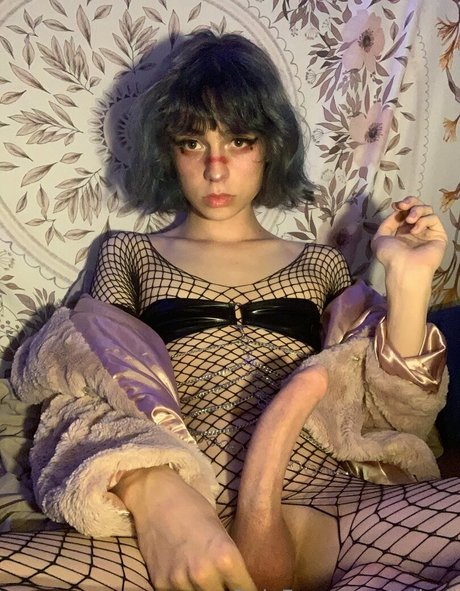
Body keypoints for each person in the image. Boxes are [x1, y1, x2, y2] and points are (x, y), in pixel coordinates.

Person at [9, 30, 460, 591]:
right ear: (168, 151)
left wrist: (410, 283)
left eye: (240, 140)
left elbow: (398, 416)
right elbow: (84, 384)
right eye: (192, 143)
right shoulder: (128, 253)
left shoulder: (320, 263)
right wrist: (150, 489)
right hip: (182, 518)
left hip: (324, 499)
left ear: (271, 146)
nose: (216, 169)